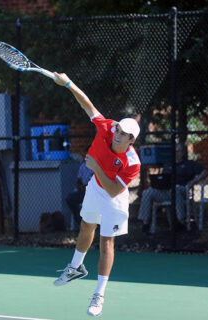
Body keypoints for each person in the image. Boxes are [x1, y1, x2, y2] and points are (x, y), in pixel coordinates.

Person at [52, 71, 141, 317]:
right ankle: (75, 267)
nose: (117, 133)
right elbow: (87, 104)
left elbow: (114, 190)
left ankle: (99, 294)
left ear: (130, 141)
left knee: (106, 243)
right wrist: (68, 83)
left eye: (123, 133)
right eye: (118, 129)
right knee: (86, 227)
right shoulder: (107, 127)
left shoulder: (132, 162)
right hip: (95, 188)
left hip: (115, 197)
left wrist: (96, 168)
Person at [137, 143, 208, 233]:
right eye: (175, 151)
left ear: (183, 153)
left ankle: (180, 221)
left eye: (179, 151)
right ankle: (146, 224)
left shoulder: (189, 164)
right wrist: (158, 183)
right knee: (147, 193)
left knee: (176, 189)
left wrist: (193, 182)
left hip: (182, 190)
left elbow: (205, 172)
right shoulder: (168, 164)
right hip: (167, 191)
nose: (176, 153)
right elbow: (164, 178)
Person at [65, 151, 93, 229]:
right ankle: (80, 222)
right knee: (70, 199)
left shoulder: (99, 167)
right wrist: (81, 187)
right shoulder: (83, 166)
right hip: (83, 191)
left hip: (94, 193)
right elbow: (78, 181)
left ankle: (96, 225)